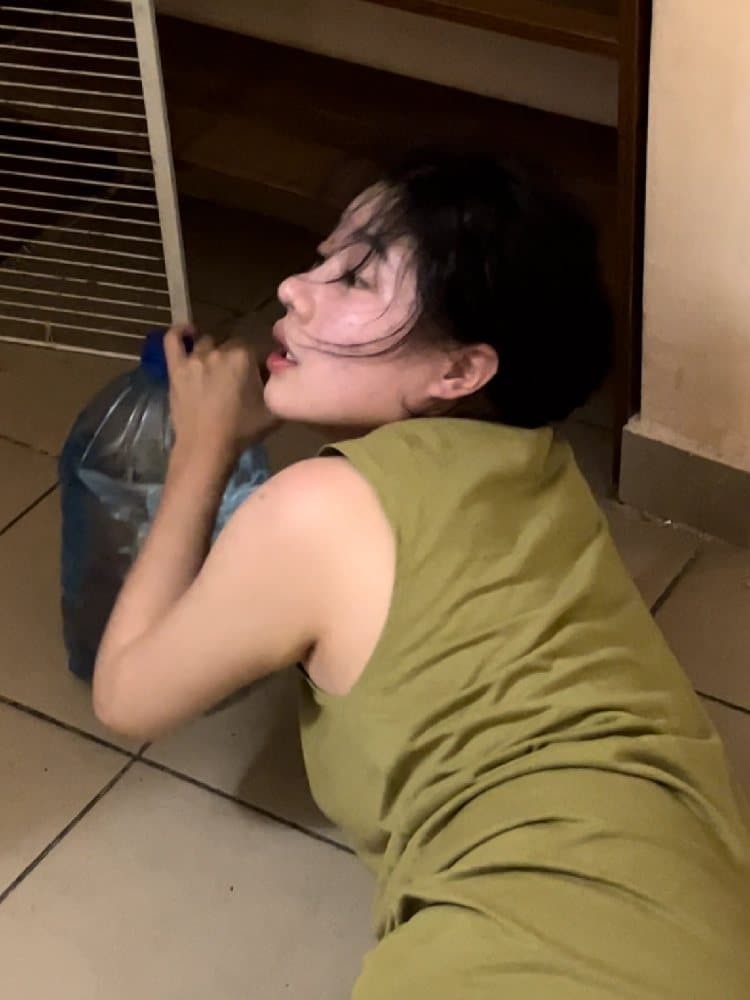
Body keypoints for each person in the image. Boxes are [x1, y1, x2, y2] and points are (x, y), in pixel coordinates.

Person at [93, 151, 750, 998]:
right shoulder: (540, 474)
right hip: (702, 925)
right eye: (324, 258)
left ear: (459, 371)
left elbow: (127, 696)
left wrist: (202, 448)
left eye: (356, 277)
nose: (293, 288)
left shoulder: (321, 510)